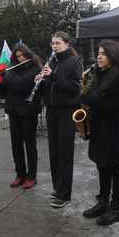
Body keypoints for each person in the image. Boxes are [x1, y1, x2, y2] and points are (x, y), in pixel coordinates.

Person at [79, 41, 119, 225]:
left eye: (103, 53)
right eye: (98, 53)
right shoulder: (99, 76)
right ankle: (103, 202)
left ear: (113, 56)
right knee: (101, 166)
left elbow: (118, 109)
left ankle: (116, 208)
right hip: (100, 129)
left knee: (114, 169)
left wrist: (92, 100)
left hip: (112, 132)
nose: (99, 56)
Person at [35, 31, 83, 208]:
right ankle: (58, 187)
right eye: (52, 43)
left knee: (65, 152)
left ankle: (65, 193)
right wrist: (40, 84)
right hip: (52, 110)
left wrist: (53, 76)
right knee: (54, 151)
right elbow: (50, 88)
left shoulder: (74, 62)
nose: (54, 46)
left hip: (67, 111)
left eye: (57, 43)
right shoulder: (52, 61)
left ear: (67, 45)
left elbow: (73, 89)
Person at [0, 43, 42, 189]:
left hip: (28, 112)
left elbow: (24, 84)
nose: (21, 58)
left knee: (30, 145)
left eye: (23, 55)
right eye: (18, 57)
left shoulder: (35, 69)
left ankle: (31, 176)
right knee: (16, 145)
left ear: (28, 55)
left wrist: (6, 76)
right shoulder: (14, 70)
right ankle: (20, 174)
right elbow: (7, 88)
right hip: (14, 111)